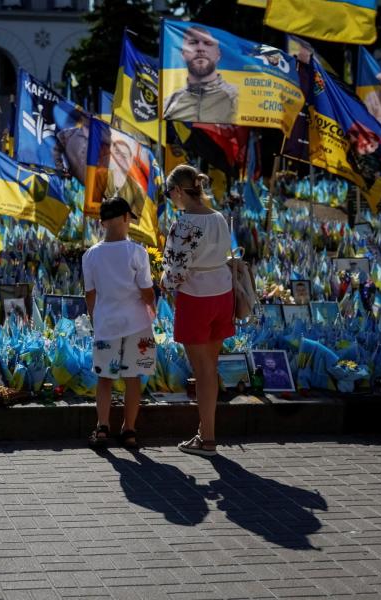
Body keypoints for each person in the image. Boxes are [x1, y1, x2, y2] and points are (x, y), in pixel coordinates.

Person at [161, 164, 234, 457]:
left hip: (197, 297)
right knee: (210, 369)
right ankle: (206, 433)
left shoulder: (184, 224)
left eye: (170, 193)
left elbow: (175, 273)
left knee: (202, 371)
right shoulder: (218, 217)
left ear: (179, 191)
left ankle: (208, 439)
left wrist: (162, 281)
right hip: (223, 293)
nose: (171, 199)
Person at [83, 197, 156, 451]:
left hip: (106, 324)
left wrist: (95, 317)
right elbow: (146, 290)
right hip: (137, 323)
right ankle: (129, 430)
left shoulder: (90, 255)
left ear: (102, 222)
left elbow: (90, 294)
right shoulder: (137, 252)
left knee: (105, 378)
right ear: (126, 218)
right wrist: (153, 307)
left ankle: (102, 426)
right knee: (133, 378)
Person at [163, 26, 238, 124]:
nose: (200, 48)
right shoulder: (168, 104)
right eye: (193, 43)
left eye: (208, 43)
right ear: (183, 54)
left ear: (218, 54)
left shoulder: (237, 97)